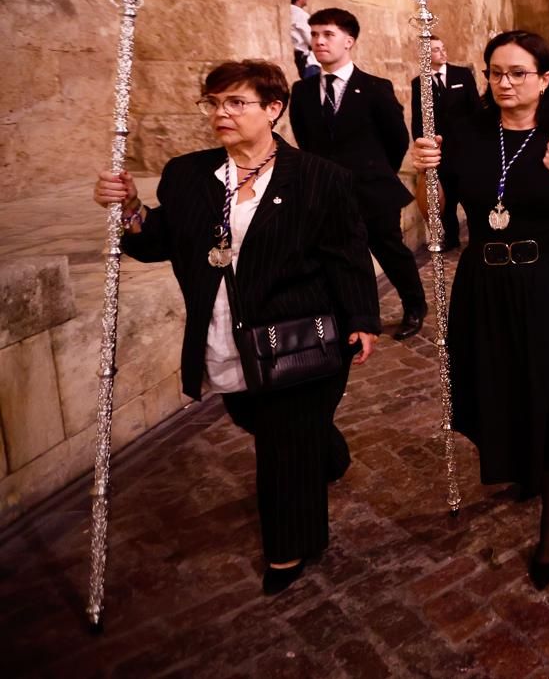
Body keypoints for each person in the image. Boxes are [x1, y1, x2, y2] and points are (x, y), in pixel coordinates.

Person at [94, 60, 379, 595]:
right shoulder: (188, 174)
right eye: (212, 103)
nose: (220, 113)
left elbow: (347, 255)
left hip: (296, 333)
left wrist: (363, 319)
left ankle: (288, 549)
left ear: (273, 109)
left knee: (283, 443)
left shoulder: (320, 177)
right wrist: (129, 208)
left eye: (235, 103)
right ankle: (328, 448)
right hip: (223, 330)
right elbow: (156, 241)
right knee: (251, 414)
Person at [412, 30, 549, 589]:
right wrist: (424, 172)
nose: (504, 82)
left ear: (543, 79)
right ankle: (523, 462)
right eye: (495, 72)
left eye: (517, 72)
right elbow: (435, 220)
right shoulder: (464, 134)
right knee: (503, 385)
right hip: (487, 281)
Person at [291, 8, 429, 340]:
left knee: (390, 251)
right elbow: (305, 141)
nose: (319, 41)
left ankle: (415, 305)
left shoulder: (374, 88)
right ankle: (360, 318)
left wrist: (376, 173)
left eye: (328, 35)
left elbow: (396, 139)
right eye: (315, 35)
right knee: (342, 258)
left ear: (349, 41)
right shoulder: (302, 92)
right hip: (326, 193)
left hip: (372, 190)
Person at [409, 37, 478, 251]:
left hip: (465, 149)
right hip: (440, 152)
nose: (442, 52)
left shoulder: (462, 75)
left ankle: (478, 237)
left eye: (442, 48)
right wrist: (423, 148)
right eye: (436, 50)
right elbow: (418, 119)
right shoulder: (419, 83)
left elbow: (475, 109)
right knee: (445, 200)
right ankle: (450, 238)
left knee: (471, 197)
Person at [289, 0, 313, 78]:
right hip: (305, 58)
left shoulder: (288, 11)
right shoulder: (300, 14)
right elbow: (310, 39)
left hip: (297, 55)